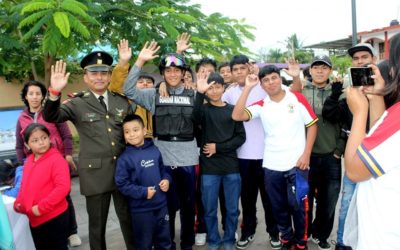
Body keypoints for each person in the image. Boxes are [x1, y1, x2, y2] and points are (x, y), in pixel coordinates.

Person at [42, 54, 135, 250]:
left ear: (110, 76)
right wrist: (54, 92)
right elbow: (51, 116)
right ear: (86, 77)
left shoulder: (121, 102)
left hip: (123, 172)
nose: (99, 77)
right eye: (94, 73)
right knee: (97, 227)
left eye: (103, 73)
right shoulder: (77, 103)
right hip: (95, 175)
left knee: (129, 222)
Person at [232, 65, 318, 250]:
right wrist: (247, 87)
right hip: (271, 167)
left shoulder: (296, 98)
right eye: (266, 80)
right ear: (261, 85)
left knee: (299, 208)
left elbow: (312, 125)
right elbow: (237, 115)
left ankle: (301, 243)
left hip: (298, 166)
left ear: (280, 78)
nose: (271, 83)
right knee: (278, 208)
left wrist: (306, 155)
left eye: (273, 78)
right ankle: (286, 240)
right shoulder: (262, 105)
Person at [123, 41, 198, 250]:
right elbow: (128, 89)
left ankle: (187, 244)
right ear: (163, 73)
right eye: (168, 70)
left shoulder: (194, 94)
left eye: (177, 70)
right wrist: (139, 61)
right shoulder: (154, 95)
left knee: (188, 207)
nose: (173, 74)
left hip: (188, 159)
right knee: (167, 207)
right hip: (163, 160)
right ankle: (168, 244)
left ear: (184, 72)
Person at [343, 32, 400, 250]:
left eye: (392, 63)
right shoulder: (394, 114)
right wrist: (376, 96)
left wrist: (359, 113)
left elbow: (355, 171)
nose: (391, 70)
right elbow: (379, 139)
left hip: (385, 237)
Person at [321, 44, 377, 250]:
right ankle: (343, 243)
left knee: (376, 208)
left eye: (364, 57)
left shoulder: (388, 90)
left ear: (374, 59)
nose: (360, 61)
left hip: (381, 163)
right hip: (355, 161)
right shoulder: (350, 95)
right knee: (346, 206)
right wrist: (335, 94)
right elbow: (331, 114)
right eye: (356, 58)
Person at [15, 80, 82, 247]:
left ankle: (71, 231)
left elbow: (66, 135)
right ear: (25, 96)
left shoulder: (51, 112)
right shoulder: (22, 117)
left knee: (63, 195)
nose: (35, 97)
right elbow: (18, 143)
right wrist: (23, 163)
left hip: (55, 159)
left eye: (38, 93)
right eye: (31, 93)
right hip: (33, 162)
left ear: (43, 96)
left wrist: (67, 155)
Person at [192, 72, 246, 250]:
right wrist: (200, 94)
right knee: (209, 210)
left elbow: (240, 137)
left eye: (217, 87)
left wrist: (218, 147)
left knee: (232, 210)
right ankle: (214, 240)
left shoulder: (233, 110)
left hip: (231, 167)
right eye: (210, 87)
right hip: (209, 169)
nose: (214, 91)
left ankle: (229, 239)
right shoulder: (204, 110)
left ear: (224, 88)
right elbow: (194, 119)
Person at [298, 55, 345, 250]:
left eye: (324, 67)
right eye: (316, 67)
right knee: (304, 198)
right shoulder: (300, 91)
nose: (319, 71)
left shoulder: (340, 94)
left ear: (330, 71)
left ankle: (322, 234)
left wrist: (338, 150)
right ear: (310, 70)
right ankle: (304, 232)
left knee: (329, 200)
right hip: (306, 156)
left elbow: (346, 124)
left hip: (330, 155)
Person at [115, 114, 172, 250]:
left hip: (161, 206)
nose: (132, 134)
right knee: (143, 244)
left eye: (136, 130)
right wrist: (143, 192)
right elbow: (122, 184)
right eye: (127, 132)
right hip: (141, 211)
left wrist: (167, 180)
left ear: (144, 131)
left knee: (164, 242)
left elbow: (164, 170)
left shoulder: (154, 150)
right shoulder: (124, 158)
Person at [14, 123, 71, 250]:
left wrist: (41, 208)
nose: (41, 142)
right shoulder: (29, 161)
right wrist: (19, 202)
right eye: (35, 140)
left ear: (49, 138)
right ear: (27, 145)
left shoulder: (57, 160)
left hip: (54, 217)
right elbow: (24, 185)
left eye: (44, 137)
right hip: (35, 219)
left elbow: (63, 187)